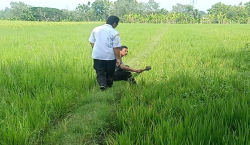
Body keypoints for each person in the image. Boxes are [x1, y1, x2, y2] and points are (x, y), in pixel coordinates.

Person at [89, 16, 121, 91]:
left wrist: (96, 49)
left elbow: (91, 41)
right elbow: (116, 47)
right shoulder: (115, 32)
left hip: (97, 55)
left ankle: (102, 85)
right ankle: (109, 85)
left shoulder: (96, 29)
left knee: (100, 71)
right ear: (114, 23)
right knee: (109, 72)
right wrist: (118, 58)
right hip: (109, 56)